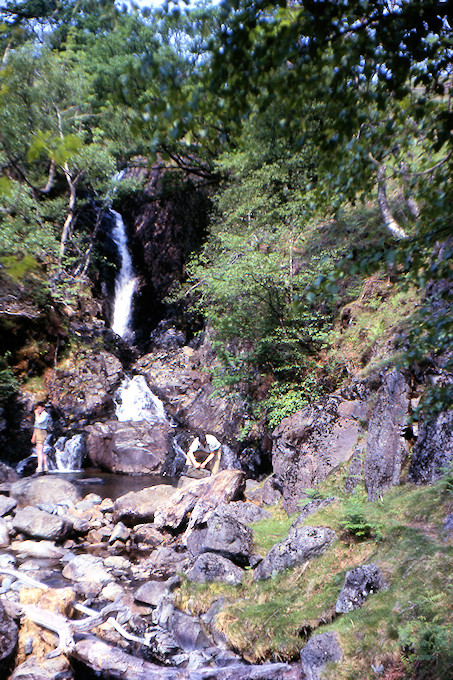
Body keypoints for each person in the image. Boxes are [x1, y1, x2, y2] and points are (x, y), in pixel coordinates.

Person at [31, 401, 51, 475]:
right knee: (41, 451)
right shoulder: (39, 415)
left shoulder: (45, 414)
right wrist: (33, 437)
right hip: (38, 432)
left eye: (40, 408)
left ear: (43, 408)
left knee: (39, 451)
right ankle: (45, 467)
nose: (38, 409)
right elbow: (36, 426)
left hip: (41, 432)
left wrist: (36, 413)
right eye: (37, 408)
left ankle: (39, 469)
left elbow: (39, 422)